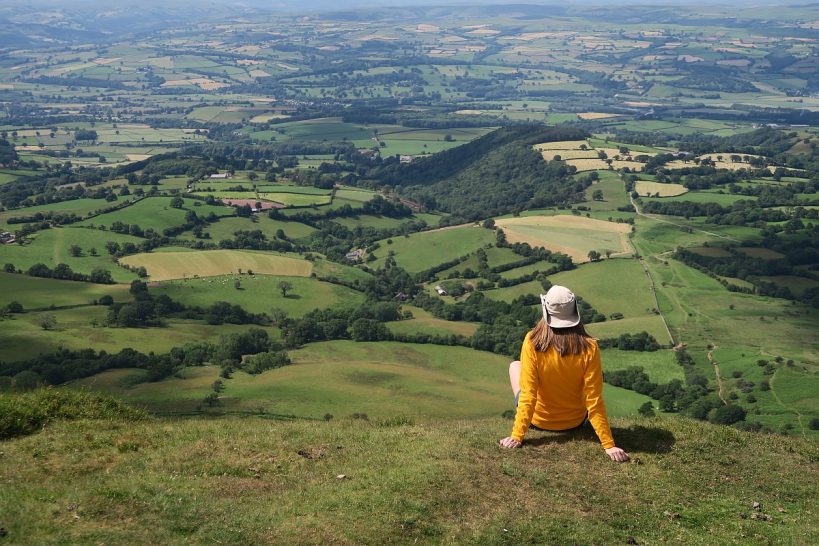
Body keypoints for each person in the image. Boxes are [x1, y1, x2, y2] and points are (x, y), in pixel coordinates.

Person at [498, 285, 630, 462]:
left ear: (545, 310)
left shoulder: (532, 341)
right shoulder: (590, 347)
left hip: (538, 421)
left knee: (515, 365)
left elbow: (529, 395)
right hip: (575, 422)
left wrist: (516, 436)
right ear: (574, 309)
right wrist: (609, 444)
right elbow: (594, 399)